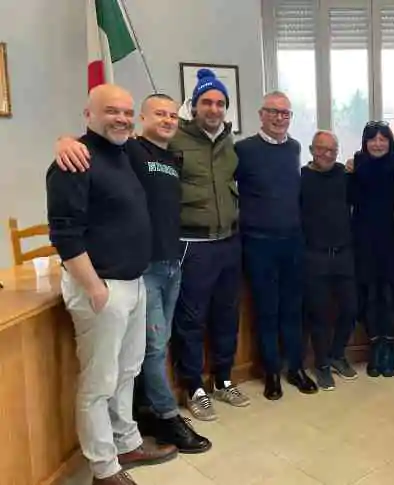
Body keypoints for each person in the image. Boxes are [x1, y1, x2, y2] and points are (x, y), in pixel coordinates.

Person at [53, 94, 212, 452]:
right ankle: (160, 422)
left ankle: (131, 435)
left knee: (139, 359)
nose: (167, 120)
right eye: (159, 114)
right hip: (123, 277)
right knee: (131, 362)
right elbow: (65, 229)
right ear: (143, 119)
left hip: (160, 267)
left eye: (173, 115)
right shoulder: (128, 149)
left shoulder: (153, 156)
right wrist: (64, 141)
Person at [46, 84, 177, 485]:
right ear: (89, 114)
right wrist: (95, 288)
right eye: (111, 111)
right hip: (101, 286)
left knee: (127, 371)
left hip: (134, 282)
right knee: (98, 383)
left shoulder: (125, 154)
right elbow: (65, 234)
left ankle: (127, 443)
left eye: (126, 112)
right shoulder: (73, 161)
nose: (121, 118)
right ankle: (103, 468)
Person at [169, 69, 249, 420]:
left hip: (228, 242)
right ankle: (193, 387)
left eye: (219, 103)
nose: (214, 109)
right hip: (193, 244)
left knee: (227, 315)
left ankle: (223, 378)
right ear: (194, 106)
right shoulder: (175, 139)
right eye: (207, 102)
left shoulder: (229, 143)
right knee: (191, 319)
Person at [235, 91, 318, 400]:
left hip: (292, 241)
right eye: (273, 111)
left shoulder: (294, 147)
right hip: (259, 243)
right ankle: (271, 371)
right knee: (266, 309)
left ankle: (295, 367)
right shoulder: (243, 149)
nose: (279, 118)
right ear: (261, 114)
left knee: (293, 309)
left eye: (285, 113)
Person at [300, 131, 359, 390]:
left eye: (332, 150)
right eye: (321, 149)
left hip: (344, 254)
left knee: (351, 309)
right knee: (319, 314)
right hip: (314, 255)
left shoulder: (344, 175)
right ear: (311, 150)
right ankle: (322, 364)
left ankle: (337, 354)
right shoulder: (301, 178)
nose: (327, 154)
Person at [348, 121, 394, 378]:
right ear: (365, 143)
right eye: (372, 139)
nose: (378, 144)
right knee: (368, 296)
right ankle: (375, 346)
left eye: (383, 139)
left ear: (390, 142)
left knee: (390, 296)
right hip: (364, 242)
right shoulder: (356, 166)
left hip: (393, 241)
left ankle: (388, 347)